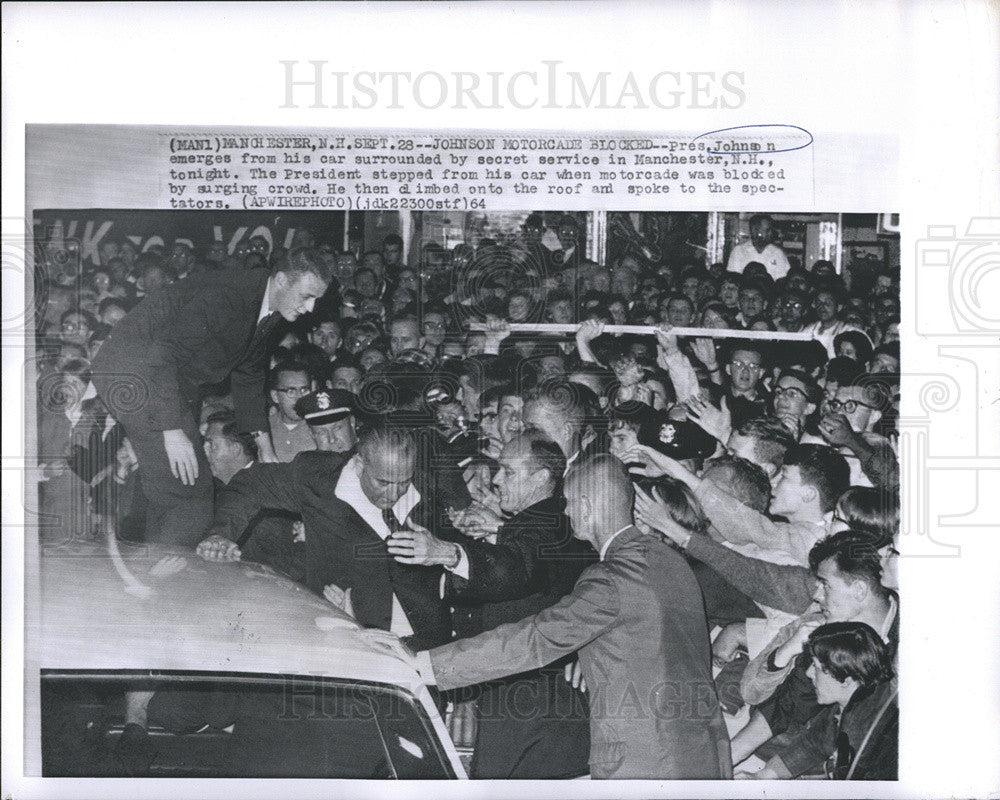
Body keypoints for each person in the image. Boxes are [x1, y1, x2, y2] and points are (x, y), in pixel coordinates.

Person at [367, 453, 732, 779]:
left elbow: (535, 640)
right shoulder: (669, 561)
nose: (567, 513)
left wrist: (425, 664)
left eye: (569, 504)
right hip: (705, 755)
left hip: (646, 765)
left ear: (587, 506)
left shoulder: (611, 579)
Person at [389, 432, 596, 778]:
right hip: (522, 700)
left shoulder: (545, 523)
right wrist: (497, 530)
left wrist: (447, 552)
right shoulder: (541, 523)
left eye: (509, 472)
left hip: (529, 705)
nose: (497, 479)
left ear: (542, 478)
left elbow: (518, 566)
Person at [91, 247, 330, 546]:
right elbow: (162, 355)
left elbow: (249, 372)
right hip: (133, 373)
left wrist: (265, 447)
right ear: (281, 280)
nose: (310, 308)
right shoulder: (227, 297)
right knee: (189, 489)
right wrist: (171, 429)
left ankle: (149, 565)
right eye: (306, 296)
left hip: (169, 380)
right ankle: (166, 579)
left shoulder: (268, 304)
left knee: (174, 482)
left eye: (316, 299)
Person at [199, 425, 452, 651]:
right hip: (348, 630)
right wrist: (221, 533)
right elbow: (250, 484)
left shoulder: (426, 476)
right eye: (383, 483)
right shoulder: (318, 479)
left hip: (424, 633)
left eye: (403, 482)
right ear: (360, 464)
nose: (395, 493)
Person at [747, 622, 897, 780]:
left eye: (816, 667)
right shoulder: (858, 697)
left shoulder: (857, 740)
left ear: (846, 679)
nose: (809, 672)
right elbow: (815, 741)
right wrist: (764, 775)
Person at [267, 361, 316, 462]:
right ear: (275, 396)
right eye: (291, 391)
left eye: (304, 390)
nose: (299, 398)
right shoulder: (264, 430)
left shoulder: (320, 428)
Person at [727, 214, 791, 280]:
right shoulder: (739, 251)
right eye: (767, 230)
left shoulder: (777, 253)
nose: (770, 233)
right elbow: (733, 279)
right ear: (754, 230)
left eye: (771, 230)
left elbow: (782, 281)